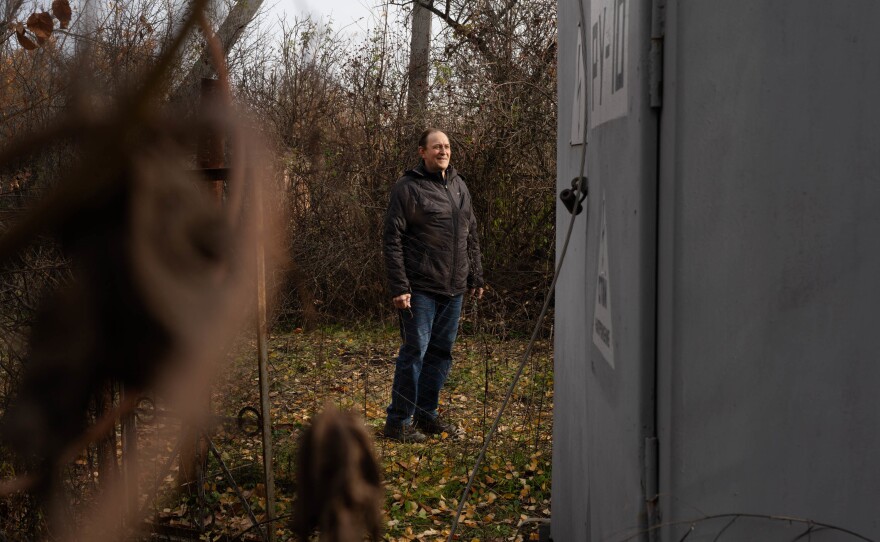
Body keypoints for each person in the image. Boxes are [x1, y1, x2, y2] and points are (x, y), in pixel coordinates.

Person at [382, 129, 484, 443]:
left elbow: (471, 233)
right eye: (437, 146)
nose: (443, 151)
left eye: (447, 146)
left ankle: (427, 416)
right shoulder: (408, 188)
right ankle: (398, 422)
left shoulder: (458, 185)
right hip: (420, 289)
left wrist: (476, 275)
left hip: (453, 289)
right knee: (415, 352)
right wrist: (400, 286)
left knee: (441, 354)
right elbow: (392, 239)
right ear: (422, 152)